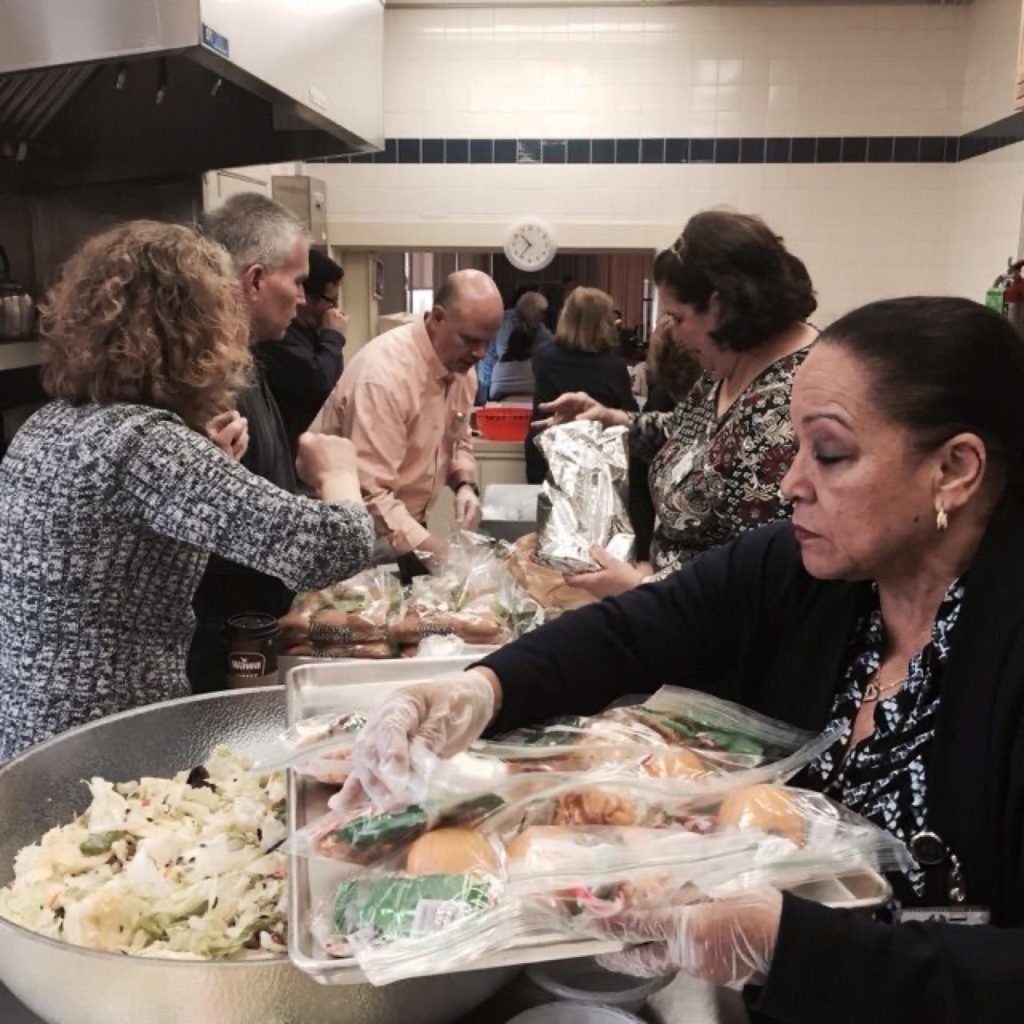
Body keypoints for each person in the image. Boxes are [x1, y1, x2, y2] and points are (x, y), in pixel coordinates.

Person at [339, 296, 1024, 1023]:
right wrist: (479, 689)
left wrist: (792, 950)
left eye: (829, 454)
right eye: (796, 449)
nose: (792, 482)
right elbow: (632, 632)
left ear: (953, 469)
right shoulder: (804, 574)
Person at [0, 221, 374, 760]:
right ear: (198, 330)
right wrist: (338, 473)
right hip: (110, 748)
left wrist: (207, 469)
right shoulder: (146, 443)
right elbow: (330, 546)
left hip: (30, 736)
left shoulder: (47, 426)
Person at [537, 211, 818, 598]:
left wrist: (641, 586)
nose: (673, 332)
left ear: (719, 307)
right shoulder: (730, 361)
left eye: (677, 316)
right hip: (674, 607)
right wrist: (611, 418)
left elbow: (762, 578)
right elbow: (684, 433)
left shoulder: (796, 399)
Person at [188, 192, 312, 694]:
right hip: (220, 644)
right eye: (298, 281)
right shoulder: (203, 383)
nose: (303, 298)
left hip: (256, 630)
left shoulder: (247, 361)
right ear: (256, 280)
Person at [312, 269, 503, 571]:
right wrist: (443, 556)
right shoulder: (384, 377)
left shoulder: (462, 368)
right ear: (437, 318)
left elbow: (458, 435)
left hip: (403, 528)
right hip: (353, 538)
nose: (480, 353)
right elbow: (371, 496)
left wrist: (464, 484)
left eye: (488, 342)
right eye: (470, 340)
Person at [525, 286, 637, 485]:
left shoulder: (543, 357)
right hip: (597, 464)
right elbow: (630, 415)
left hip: (548, 453)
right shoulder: (613, 366)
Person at [256, 248, 347, 457]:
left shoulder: (310, 333)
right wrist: (333, 336)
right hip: (282, 452)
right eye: (331, 302)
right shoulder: (278, 334)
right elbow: (319, 381)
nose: (334, 310)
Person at [475, 291, 551, 405]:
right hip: (489, 376)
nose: (543, 316)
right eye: (540, 312)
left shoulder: (535, 324)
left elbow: (549, 340)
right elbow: (505, 352)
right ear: (530, 310)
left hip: (504, 377)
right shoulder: (506, 322)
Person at [488, 326, 536, 401]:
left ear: (509, 344)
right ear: (530, 345)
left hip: (502, 404)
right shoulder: (535, 364)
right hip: (531, 402)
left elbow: (492, 393)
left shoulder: (498, 366)